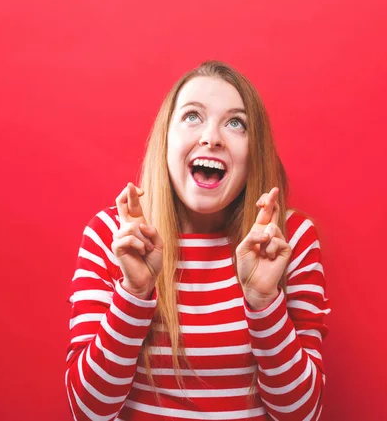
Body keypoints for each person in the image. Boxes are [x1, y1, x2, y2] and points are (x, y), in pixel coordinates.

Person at [65, 60, 331, 421]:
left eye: (236, 123)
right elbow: (87, 411)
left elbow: (301, 415)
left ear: (255, 150)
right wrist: (134, 292)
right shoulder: (114, 235)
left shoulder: (287, 240)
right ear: (166, 139)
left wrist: (264, 301)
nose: (212, 138)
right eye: (193, 116)